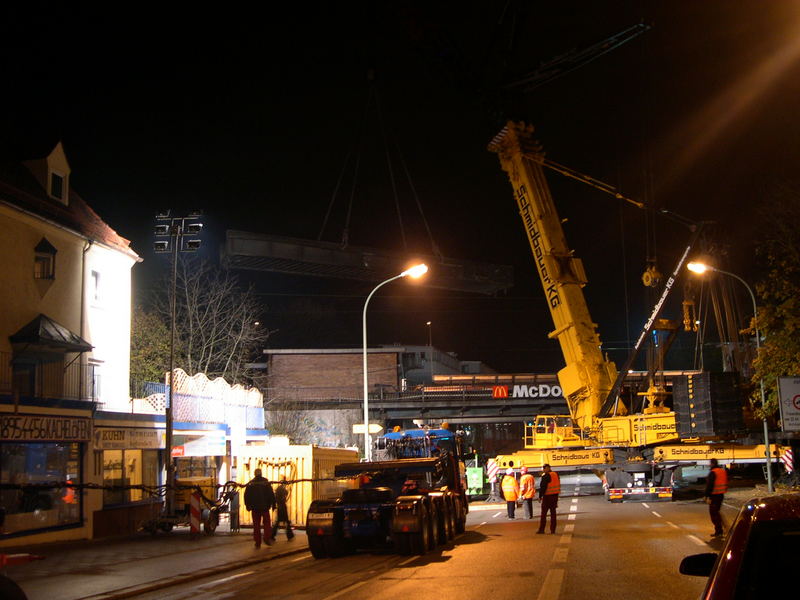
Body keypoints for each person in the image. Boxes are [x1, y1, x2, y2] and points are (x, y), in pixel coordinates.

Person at [244, 468, 276, 548]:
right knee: (267, 524)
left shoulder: (251, 483)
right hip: (265, 507)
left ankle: (257, 542)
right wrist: (273, 504)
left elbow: (246, 496)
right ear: (261, 473)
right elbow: (271, 494)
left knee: (256, 526)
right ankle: (266, 538)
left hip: (255, 508)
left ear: (254, 474)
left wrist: (248, 505)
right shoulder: (265, 482)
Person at [704, 458, 728, 537]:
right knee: (717, 512)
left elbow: (710, 485)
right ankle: (723, 528)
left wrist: (706, 496)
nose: (709, 465)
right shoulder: (722, 471)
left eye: (710, 463)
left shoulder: (713, 472)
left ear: (712, 464)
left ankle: (719, 531)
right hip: (721, 495)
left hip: (714, 495)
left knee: (714, 513)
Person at [536, 463, 560, 534]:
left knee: (544, 514)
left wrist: (540, 497)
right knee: (553, 514)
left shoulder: (546, 476)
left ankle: (542, 529)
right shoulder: (555, 474)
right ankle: (553, 530)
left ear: (545, 469)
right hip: (554, 497)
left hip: (547, 497)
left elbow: (543, 487)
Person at [271, 476, 295, 541]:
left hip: (280, 506)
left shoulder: (278, 489)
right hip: (282, 507)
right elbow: (286, 493)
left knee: (280, 521)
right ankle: (289, 535)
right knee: (284, 521)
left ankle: (273, 535)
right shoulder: (281, 489)